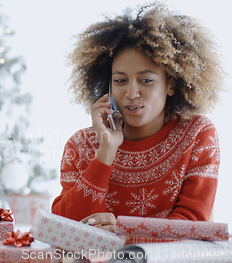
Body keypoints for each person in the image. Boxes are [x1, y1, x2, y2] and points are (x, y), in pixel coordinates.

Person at [51, 2, 225, 238]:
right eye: (120, 81)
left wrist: (125, 237)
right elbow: (62, 230)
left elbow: (190, 226)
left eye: (146, 80)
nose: (131, 93)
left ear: (171, 85)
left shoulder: (198, 134)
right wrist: (106, 152)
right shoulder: (80, 145)